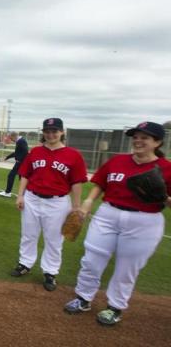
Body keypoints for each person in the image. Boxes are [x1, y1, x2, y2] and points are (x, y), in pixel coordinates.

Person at [63, 121, 171, 326]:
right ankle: (83, 298)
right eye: (135, 137)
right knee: (91, 260)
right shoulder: (117, 161)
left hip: (144, 221)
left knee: (127, 268)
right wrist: (86, 205)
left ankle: (115, 307)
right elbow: (99, 185)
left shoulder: (167, 169)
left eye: (144, 137)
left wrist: (163, 197)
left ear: (157, 142)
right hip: (108, 215)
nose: (138, 141)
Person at [10, 118, 87, 291]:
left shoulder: (73, 155)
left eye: (54, 131)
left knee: (54, 239)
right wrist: (20, 195)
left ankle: (50, 272)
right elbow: (25, 175)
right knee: (29, 234)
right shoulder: (36, 152)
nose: (51, 134)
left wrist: (76, 206)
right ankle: (25, 264)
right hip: (32, 198)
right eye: (47, 131)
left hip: (58, 202)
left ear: (62, 132)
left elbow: (76, 183)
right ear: (43, 133)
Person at [0, 131, 28, 197]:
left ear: (14, 136)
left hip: (21, 163)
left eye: (11, 138)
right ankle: (23, 194)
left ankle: (8, 192)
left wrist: (20, 160)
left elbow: (26, 152)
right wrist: (7, 157)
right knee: (21, 178)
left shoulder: (21, 141)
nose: (11, 140)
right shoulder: (20, 141)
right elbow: (16, 153)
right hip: (21, 162)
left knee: (11, 176)